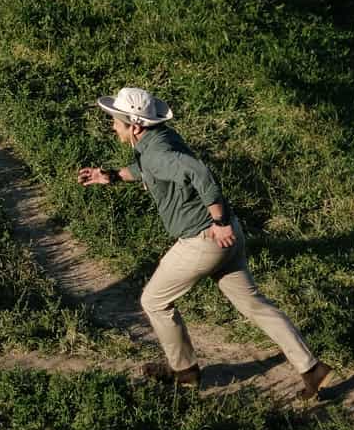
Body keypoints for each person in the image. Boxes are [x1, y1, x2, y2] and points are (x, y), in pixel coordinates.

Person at [78, 85, 331, 397]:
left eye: (117, 121)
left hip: (205, 240)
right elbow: (148, 170)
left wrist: (218, 222)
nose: (113, 126)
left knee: (153, 301)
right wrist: (112, 176)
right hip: (229, 236)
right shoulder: (160, 140)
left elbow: (199, 173)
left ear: (136, 125)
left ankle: (184, 372)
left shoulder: (156, 153)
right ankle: (311, 368)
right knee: (255, 305)